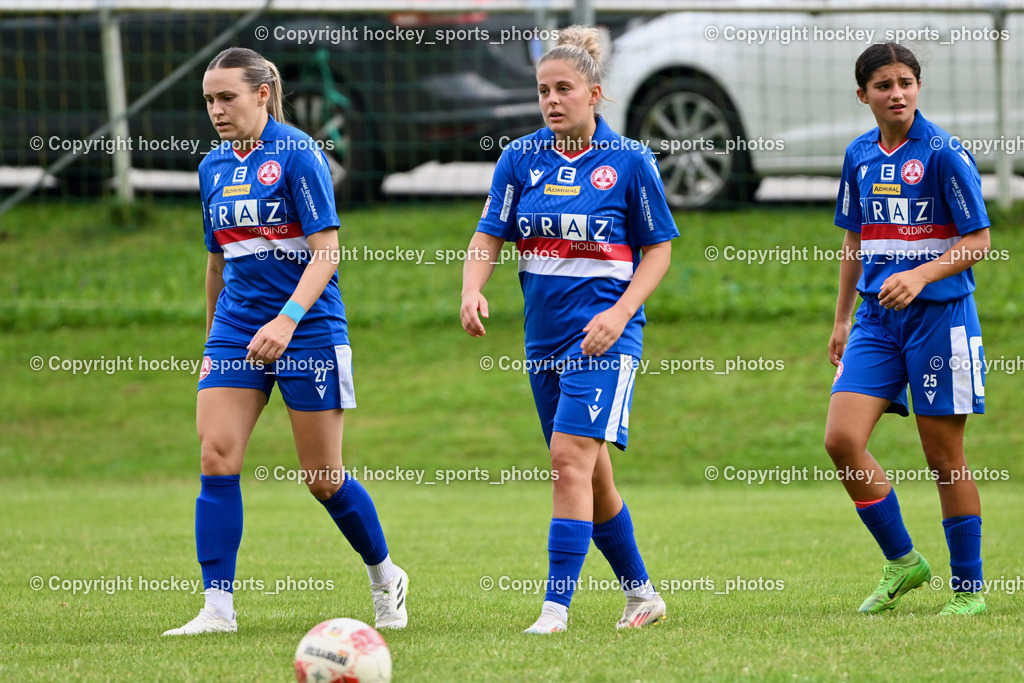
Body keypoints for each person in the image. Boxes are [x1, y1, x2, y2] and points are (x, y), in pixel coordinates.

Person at [163, 47, 407, 635]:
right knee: (216, 457)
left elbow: (327, 254)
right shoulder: (212, 167)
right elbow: (216, 264)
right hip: (236, 332)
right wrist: (211, 340)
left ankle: (385, 576)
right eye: (209, 101)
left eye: (227, 98)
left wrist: (287, 320)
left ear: (262, 94)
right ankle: (217, 610)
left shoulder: (298, 154)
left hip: (308, 329)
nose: (216, 111)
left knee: (323, 477)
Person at [460, 26, 678, 634]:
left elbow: (658, 252)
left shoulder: (630, 161)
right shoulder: (520, 158)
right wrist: (472, 287)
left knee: (567, 460)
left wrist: (618, 314)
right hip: (543, 340)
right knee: (590, 473)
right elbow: (488, 236)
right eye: (543, 91)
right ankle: (642, 595)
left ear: (594, 93)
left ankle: (555, 608)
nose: (552, 100)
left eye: (564, 89)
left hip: (606, 339)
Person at [825, 42, 990, 616]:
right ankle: (903, 562)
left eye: (906, 82)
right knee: (841, 440)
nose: (897, 93)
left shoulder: (945, 153)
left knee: (943, 456)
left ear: (918, 87)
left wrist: (921, 275)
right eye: (884, 85)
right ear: (863, 94)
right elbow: (853, 241)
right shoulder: (859, 156)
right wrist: (842, 318)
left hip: (941, 320)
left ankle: (968, 592)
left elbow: (978, 243)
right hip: (875, 319)